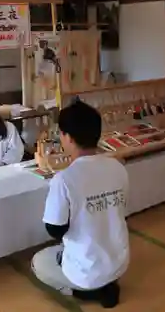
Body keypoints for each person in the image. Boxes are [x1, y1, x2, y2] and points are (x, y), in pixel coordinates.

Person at [31, 101, 129, 308]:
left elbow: (54, 229)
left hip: (86, 272)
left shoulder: (64, 179)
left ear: (68, 137)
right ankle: (106, 284)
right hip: (119, 264)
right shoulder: (117, 167)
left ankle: (86, 292)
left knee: (39, 262)